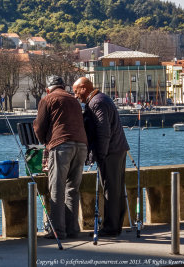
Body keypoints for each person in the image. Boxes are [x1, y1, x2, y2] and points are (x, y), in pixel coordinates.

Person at [73, 77, 130, 237]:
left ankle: (110, 228)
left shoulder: (96, 102)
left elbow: (103, 132)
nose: (76, 96)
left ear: (84, 88)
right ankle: (115, 225)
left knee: (110, 189)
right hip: (118, 148)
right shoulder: (102, 98)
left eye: (77, 91)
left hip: (111, 151)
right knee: (117, 189)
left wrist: (101, 155)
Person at [33, 75, 88, 239]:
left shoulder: (47, 99)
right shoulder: (74, 100)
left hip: (61, 145)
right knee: (73, 189)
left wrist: (44, 141)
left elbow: (39, 126)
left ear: (47, 89)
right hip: (81, 146)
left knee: (56, 188)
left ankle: (57, 230)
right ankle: (72, 229)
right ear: (63, 87)